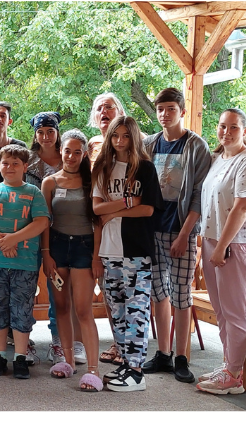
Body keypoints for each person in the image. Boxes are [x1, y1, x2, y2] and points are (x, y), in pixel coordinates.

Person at [140, 87, 211, 384]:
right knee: (158, 292)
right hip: (153, 229)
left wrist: (185, 235)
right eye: (160, 109)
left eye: (170, 109)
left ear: (182, 111)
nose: (164, 114)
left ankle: (182, 357)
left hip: (181, 228)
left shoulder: (196, 146)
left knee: (181, 293)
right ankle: (164, 354)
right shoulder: (150, 144)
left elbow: (198, 196)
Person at [195, 108, 246, 395]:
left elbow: (243, 207)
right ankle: (229, 364)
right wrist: (209, 243)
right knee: (222, 310)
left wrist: (222, 246)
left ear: (245, 131)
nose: (227, 132)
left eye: (234, 127)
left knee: (236, 312)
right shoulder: (217, 159)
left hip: (237, 244)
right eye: (222, 126)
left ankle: (235, 375)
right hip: (214, 240)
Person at [91, 116, 161, 392]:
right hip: (109, 251)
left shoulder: (144, 169)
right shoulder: (103, 168)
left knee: (136, 311)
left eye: (125, 136)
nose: (120, 141)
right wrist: (125, 203)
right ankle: (124, 362)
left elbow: (148, 209)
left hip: (136, 251)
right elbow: (97, 210)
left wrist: (115, 212)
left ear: (134, 137)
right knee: (117, 312)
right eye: (115, 136)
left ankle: (136, 371)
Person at [0, 144, 50, 379]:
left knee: (21, 309)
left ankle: (19, 356)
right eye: (5, 163)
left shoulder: (33, 193)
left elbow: (41, 222)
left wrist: (14, 239)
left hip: (24, 263)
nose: (10, 167)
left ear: (25, 167)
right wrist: (1, 242)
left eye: (16, 163)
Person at [40, 129, 104, 390]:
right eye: (67, 151)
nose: (71, 156)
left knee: (83, 309)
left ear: (84, 154)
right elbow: (44, 222)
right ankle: (67, 361)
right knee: (61, 307)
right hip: (56, 247)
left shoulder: (92, 181)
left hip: (83, 247)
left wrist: (97, 256)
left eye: (77, 152)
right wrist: (45, 255)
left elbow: (97, 221)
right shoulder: (50, 182)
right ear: (61, 151)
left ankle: (93, 369)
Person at [26, 111, 85, 367]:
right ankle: (24, 341)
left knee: (59, 290)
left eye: (50, 131)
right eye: (41, 132)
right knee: (27, 287)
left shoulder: (70, 159)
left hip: (64, 236)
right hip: (31, 234)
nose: (46, 137)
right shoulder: (27, 163)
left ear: (58, 133)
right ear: (35, 135)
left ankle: (60, 341)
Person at [87, 92, 129, 366]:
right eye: (99, 108)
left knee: (130, 293)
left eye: (109, 107)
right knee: (108, 290)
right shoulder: (92, 146)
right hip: (97, 226)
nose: (104, 111)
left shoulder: (133, 146)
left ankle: (128, 347)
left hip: (128, 229)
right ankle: (117, 343)